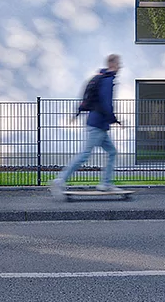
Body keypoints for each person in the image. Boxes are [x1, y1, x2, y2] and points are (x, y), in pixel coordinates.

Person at [50, 54, 121, 197]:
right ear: (112, 64)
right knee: (85, 155)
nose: (120, 66)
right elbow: (106, 103)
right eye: (119, 63)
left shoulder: (103, 78)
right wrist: (113, 119)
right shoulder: (107, 80)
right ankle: (60, 180)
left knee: (112, 152)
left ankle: (105, 183)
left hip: (99, 124)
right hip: (98, 124)